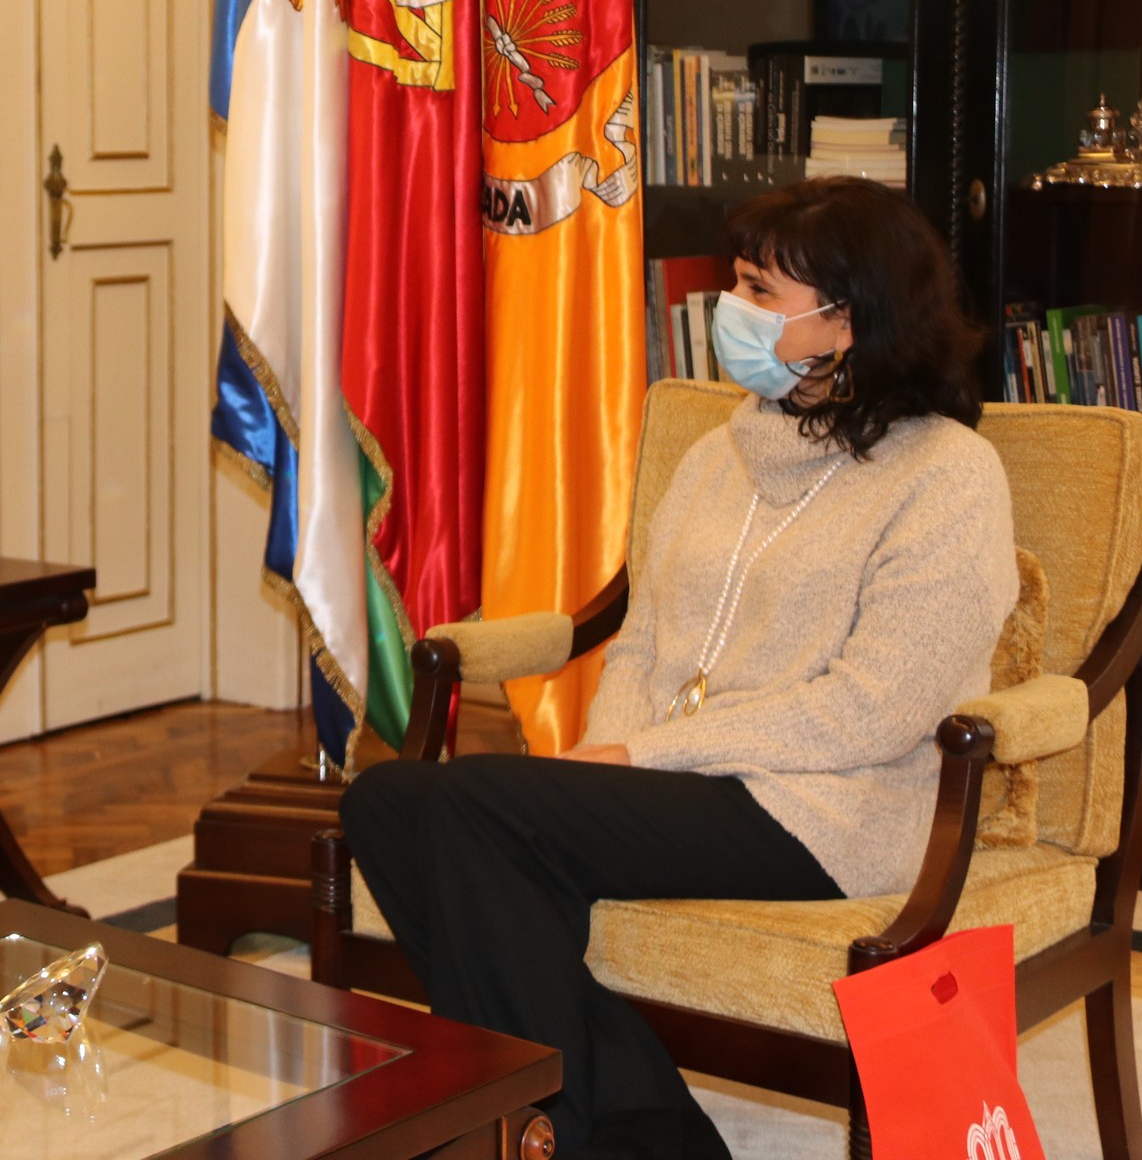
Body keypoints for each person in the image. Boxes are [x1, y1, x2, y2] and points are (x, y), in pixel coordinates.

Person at [338, 176, 1016, 1160]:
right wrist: (600, 764)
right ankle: (637, 1134)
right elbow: (644, 644)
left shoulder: (947, 474)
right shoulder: (714, 456)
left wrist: (641, 758)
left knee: (471, 807)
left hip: (833, 808)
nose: (728, 308)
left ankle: (557, 1132)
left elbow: (873, 711)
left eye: (758, 291)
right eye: (735, 282)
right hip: (692, 782)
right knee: (387, 801)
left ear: (845, 322)